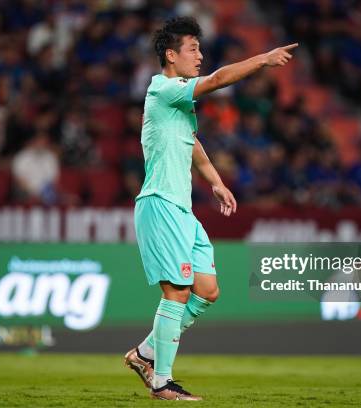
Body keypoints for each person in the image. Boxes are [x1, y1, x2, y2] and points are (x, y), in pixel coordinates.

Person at [124, 17, 298, 400]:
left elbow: (193, 144)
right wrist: (262, 60)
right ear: (171, 56)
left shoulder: (177, 103)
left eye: (200, 49)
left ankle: (145, 353)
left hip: (182, 210)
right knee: (178, 293)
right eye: (193, 49)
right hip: (160, 205)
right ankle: (162, 382)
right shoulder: (164, 88)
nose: (200, 56)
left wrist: (216, 182)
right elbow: (218, 80)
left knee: (207, 290)